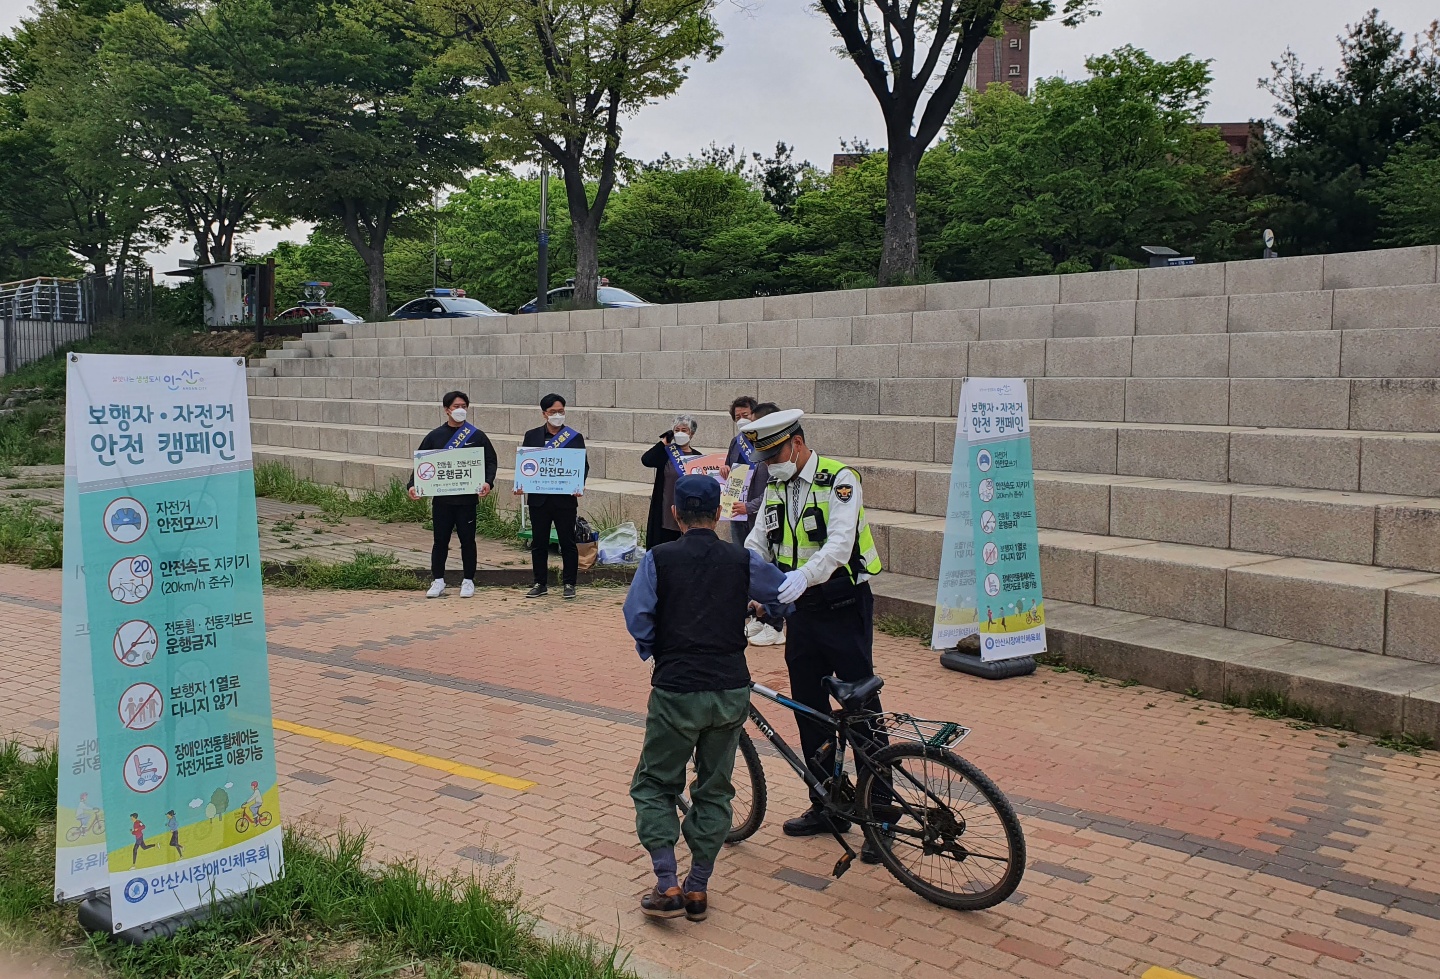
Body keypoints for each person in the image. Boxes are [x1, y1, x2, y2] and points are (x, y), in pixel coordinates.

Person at [623, 474, 791, 921]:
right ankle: (698, 888)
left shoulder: (658, 559)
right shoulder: (741, 560)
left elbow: (637, 616)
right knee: (714, 789)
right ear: (718, 514)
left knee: (655, 784)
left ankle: (667, 883)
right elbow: (782, 592)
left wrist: (656, 649)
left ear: (675, 514)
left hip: (677, 689)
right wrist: (765, 610)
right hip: (731, 687)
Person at [739, 408, 890, 863]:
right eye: (764, 459)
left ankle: (882, 815)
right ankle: (829, 802)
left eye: (776, 454)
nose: (771, 464)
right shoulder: (776, 486)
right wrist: (743, 580)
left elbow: (840, 543)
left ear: (797, 444)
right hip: (801, 611)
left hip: (843, 607)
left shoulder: (840, 480)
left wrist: (803, 577)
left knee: (860, 708)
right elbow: (755, 544)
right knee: (808, 708)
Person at [406, 390, 499, 600]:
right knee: (440, 541)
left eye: (464, 406)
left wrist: (488, 481)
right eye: (456, 407)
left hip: (466, 499)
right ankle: (438, 580)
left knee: (468, 541)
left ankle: (468, 580)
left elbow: (491, 460)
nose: (460, 410)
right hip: (442, 500)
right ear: (446, 410)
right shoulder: (435, 436)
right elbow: (422, 464)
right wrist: (413, 485)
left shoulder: (476, 435)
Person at [517, 393, 588, 599]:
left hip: (565, 499)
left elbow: (582, 465)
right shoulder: (532, 436)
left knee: (567, 542)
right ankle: (540, 583)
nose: (557, 415)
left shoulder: (574, 437)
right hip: (539, 499)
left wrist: (578, 485)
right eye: (553, 412)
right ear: (544, 414)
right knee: (539, 542)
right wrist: (521, 483)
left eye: (561, 411)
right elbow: (525, 465)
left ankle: (569, 583)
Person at [729, 401, 783, 647]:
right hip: (739, 515)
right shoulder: (737, 442)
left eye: (746, 415)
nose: (742, 419)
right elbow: (734, 474)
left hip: (763, 513)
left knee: (768, 568)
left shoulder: (772, 446)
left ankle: (775, 622)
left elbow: (775, 487)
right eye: (737, 416)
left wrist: (750, 507)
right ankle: (757, 615)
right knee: (746, 566)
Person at [641, 413, 704, 549]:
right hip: (665, 511)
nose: (680, 433)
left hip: (688, 511)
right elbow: (646, 460)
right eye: (677, 430)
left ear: (691, 434)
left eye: (684, 430)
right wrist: (664, 442)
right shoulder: (666, 453)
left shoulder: (697, 457)